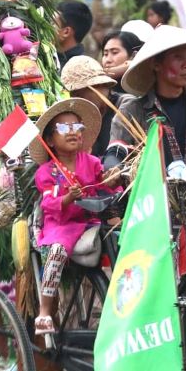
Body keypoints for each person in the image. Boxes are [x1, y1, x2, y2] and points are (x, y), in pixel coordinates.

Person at [29, 98, 119, 334]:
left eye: (77, 127)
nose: (73, 132)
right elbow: (49, 203)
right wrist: (67, 198)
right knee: (57, 253)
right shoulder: (45, 172)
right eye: (63, 128)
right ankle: (45, 311)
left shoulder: (91, 161)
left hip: (90, 221)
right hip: (61, 224)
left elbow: (106, 185)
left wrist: (113, 179)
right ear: (49, 140)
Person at [106, 25, 186, 173]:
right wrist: (112, 167)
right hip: (152, 195)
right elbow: (117, 148)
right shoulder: (133, 110)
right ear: (156, 64)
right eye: (178, 57)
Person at [61, 55, 131, 157]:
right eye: (73, 95)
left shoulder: (126, 105)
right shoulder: (77, 117)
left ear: (99, 86)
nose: (77, 99)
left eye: (79, 94)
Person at [56, 1, 93, 68]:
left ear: (66, 32)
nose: (45, 25)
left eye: (52, 23)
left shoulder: (79, 68)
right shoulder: (52, 58)